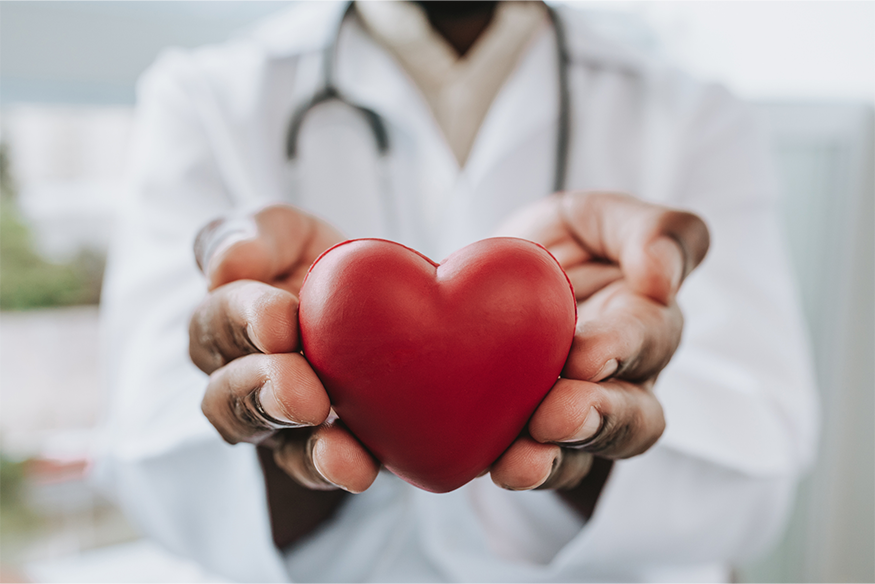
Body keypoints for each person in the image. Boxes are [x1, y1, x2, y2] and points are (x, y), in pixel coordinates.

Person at [96, 1, 818, 581]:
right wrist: (275, 408)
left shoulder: (692, 110)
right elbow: (160, 480)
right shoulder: (203, 96)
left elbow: (751, 488)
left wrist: (581, 402)